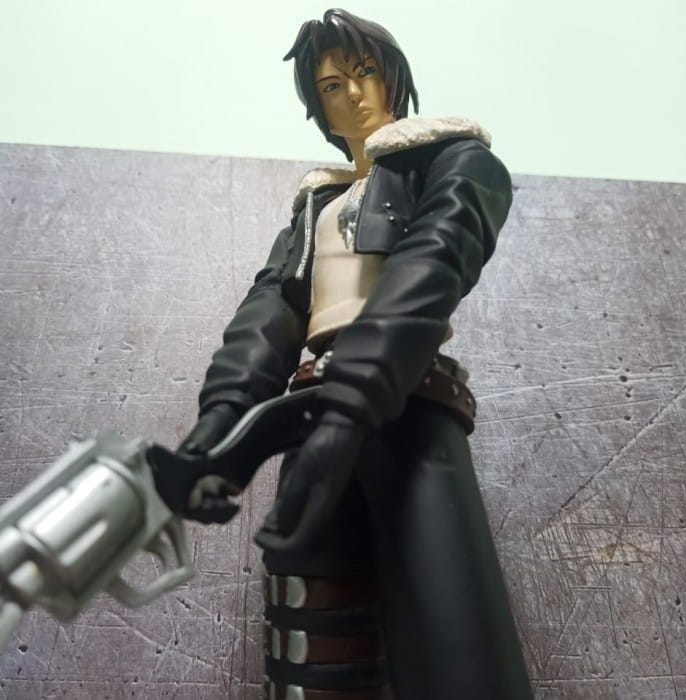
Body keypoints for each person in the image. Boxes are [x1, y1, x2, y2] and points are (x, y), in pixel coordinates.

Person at [179, 9, 532, 699]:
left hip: (408, 412)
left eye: (365, 72)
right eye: (333, 86)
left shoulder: (459, 162)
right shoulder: (316, 206)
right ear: (320, 107)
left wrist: (353, 400)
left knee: (457, 643)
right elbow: (270, 309)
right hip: (313, 416)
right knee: (310, 652)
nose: (354, 94)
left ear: (393, 75)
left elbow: (432, 265)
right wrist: (221, 424)